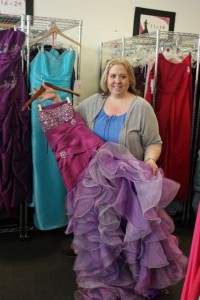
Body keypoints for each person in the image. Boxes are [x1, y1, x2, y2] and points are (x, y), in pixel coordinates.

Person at [32, 58, 188, 300]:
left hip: (130, 183)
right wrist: (54, 100)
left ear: (130, 79)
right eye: (113, 76)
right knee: (104, 238)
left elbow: (154, 142)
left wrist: (150, 161)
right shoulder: (93, 103)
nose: (118, 81)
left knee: (134, 237)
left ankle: (140, 281)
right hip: (97, 186)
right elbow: (72, 124)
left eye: (123, 76)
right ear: (106, 78)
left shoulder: (141, 106)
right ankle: (109, 280)